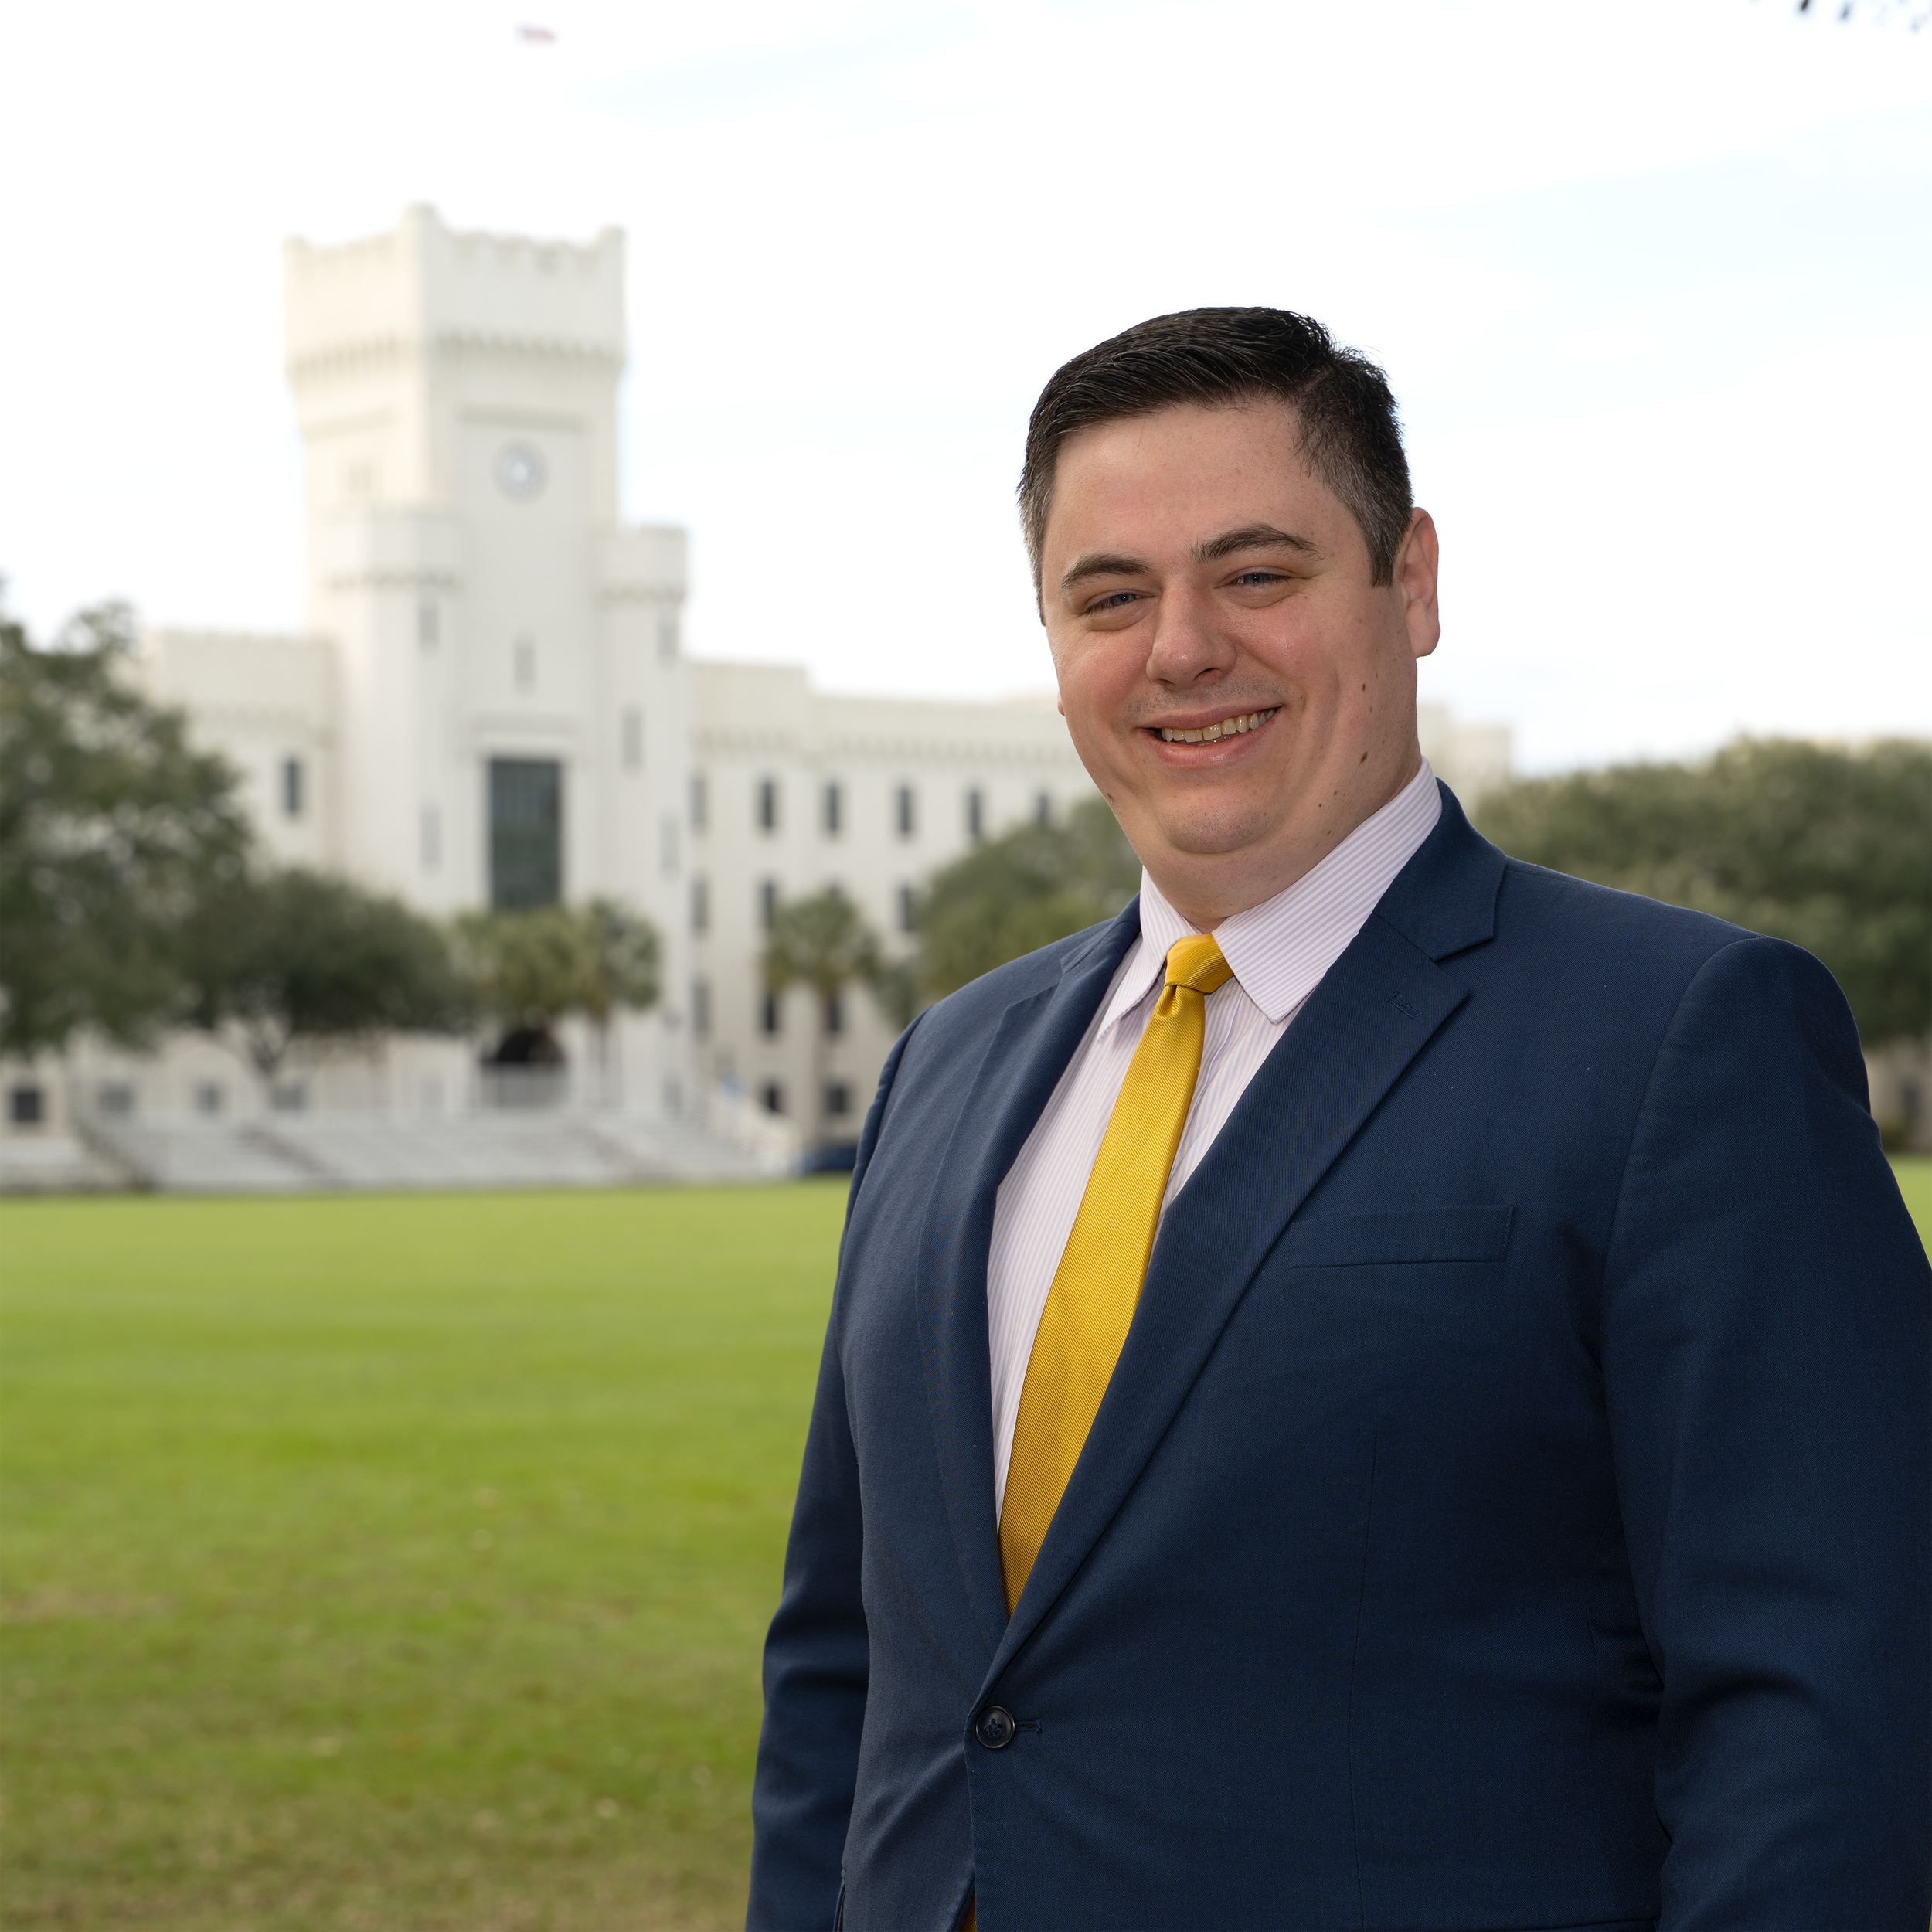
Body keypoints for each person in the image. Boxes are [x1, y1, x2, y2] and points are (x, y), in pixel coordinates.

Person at [744, 308, 1932, 1932]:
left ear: (1411, 581)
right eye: (1108, 594)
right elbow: (848, 1666)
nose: (1178, 649)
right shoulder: (945, 1065)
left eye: (1255, 574)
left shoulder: (1680, 1039)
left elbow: (1822, 1711)